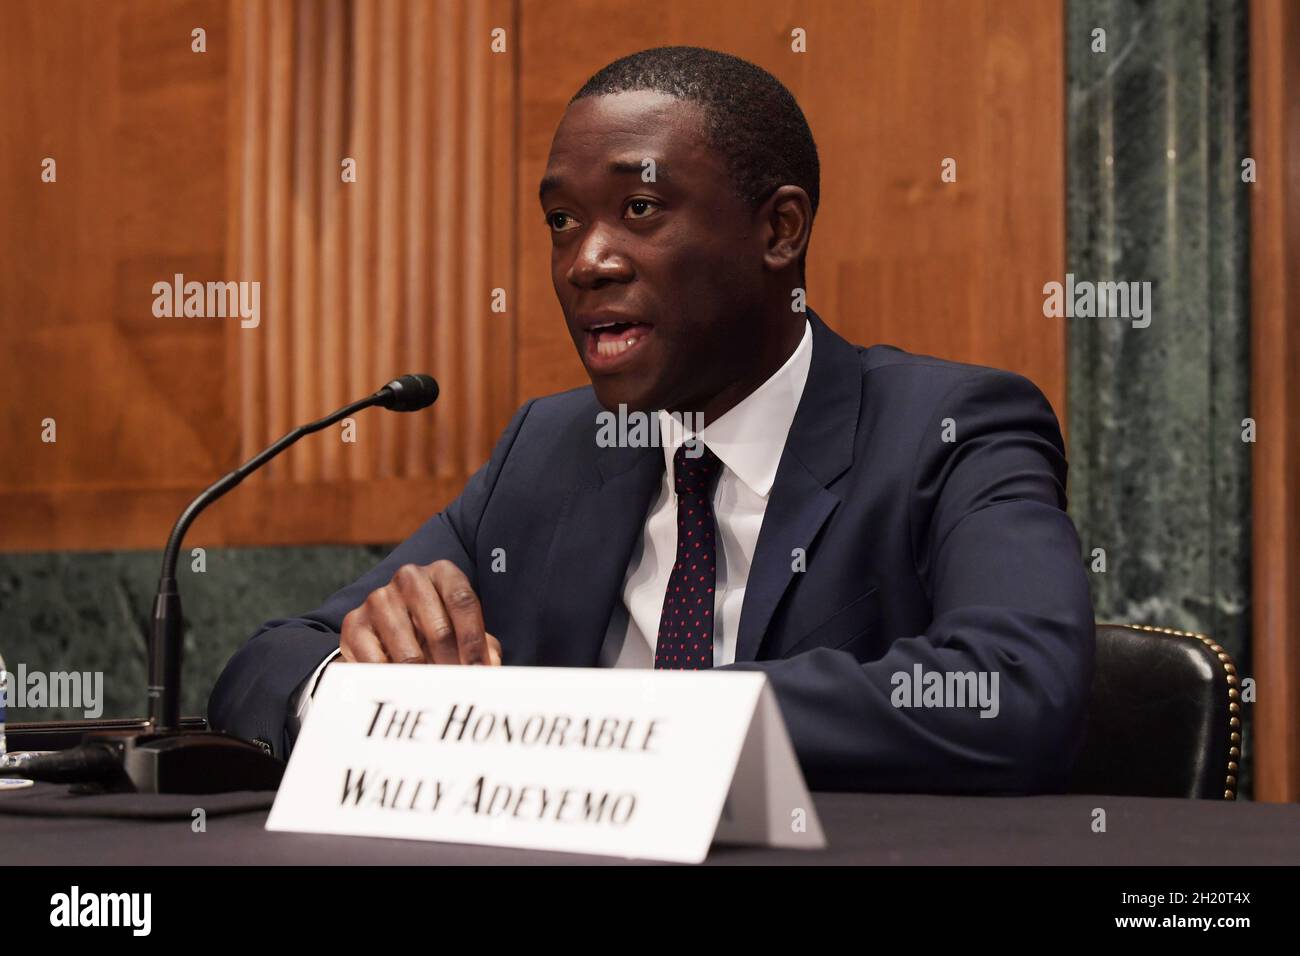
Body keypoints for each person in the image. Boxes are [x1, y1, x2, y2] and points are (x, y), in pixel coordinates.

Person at [209, 46, 1094, 794]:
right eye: (562, 221)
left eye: (639, 210)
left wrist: (625, 723)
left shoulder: (949, 429)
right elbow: (264, 667)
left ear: (779, 231)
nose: (584, 261)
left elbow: (1013, 689)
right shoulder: (550, 452)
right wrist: (366, 679)